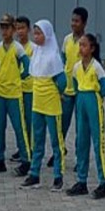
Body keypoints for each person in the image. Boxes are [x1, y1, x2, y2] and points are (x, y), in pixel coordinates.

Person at [22, 19, 69, 189]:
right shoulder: (36, 53)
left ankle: (58, 175)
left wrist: (59, 93)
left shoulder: (53, 56)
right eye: (35, 33)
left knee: (56, 141)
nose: (36, 36)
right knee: (37, 139)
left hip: (51, 104)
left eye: (39, 33)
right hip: (37, 103)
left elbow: (62, 81)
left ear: (47, 35)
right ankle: (34, 174)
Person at [65, 33, 105, 198]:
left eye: (84, 45)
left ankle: (102, 182)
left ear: (92, 49)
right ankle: (81, 180)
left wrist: (96, 96)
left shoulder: (97, 67)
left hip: (93, 102)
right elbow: (76, 85)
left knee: (98, 142)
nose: (81, 48)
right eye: (80, 45)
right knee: (81, 141)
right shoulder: (77, 67)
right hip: (81, 102)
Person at [0, 14, 30, 177]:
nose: (4, 31)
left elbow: (27, 66)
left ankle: (26, 159)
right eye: (2, 27)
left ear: (13, 30)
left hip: (14, 93)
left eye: (7, 27)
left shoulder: (17, 48)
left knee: (19, 127)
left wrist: (21, 77)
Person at [60, 6, 89, 149]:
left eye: (77, 21)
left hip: (81, 90)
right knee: (62, 123)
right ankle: (59, 150)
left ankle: (80, 157)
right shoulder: (66, 40)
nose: (73, 24)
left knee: (81, 126)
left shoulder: (87, 42)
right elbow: (63, 59)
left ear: (84, 23)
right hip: (66, 88)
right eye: (72, 20)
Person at [15, 16, 36, 176]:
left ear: (28, 30)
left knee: (29, 121)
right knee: (19, 121)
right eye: (18, 28)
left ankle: (31, 148)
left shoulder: (32, 48)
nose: (20, 31)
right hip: (16, 90)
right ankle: (22, 147)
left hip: (29, 89)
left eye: (22, 28)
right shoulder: (14, 47)